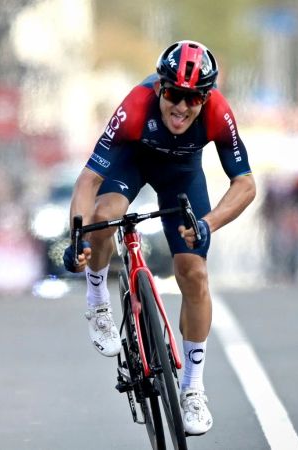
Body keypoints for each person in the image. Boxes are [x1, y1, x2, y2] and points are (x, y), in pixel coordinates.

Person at [63, 40, 256, 436]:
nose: (181, 107)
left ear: (206, 98)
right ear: (158, 89)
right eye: (172, 94)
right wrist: (78, 237)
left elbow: (246, 184)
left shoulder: (218, 111)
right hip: (132, 162)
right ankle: (98, 299)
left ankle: (193, 390)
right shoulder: (135, 105)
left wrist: (210, 223)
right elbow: (89, 180)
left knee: (194, 273)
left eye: (192, 99)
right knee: (104, 215)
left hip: (181, 175)